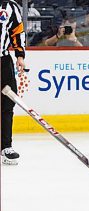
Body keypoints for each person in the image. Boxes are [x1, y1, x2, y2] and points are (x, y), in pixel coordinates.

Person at [1, 0, 26, 165]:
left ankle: (6, 146)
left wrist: (20, 55)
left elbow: (17, 30)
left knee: (8, 102)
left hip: (2, 61)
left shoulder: (9, 6)